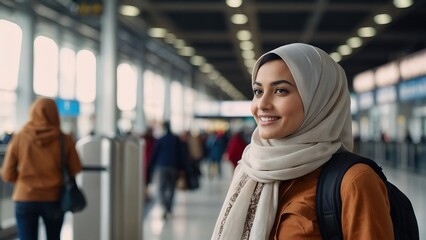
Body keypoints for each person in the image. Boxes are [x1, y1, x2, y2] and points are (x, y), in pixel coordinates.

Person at [211, 43, 393, 239]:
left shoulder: (355, 181)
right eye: (258, 91)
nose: (262, 105)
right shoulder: (248, 167)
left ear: (319, 99)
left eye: (280, 90)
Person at [1, 97, 82, 240]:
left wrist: (24, 182)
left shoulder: (20, 138)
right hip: (54, 198)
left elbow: (7, 174)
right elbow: (76, 168)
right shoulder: (64, 139)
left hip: (25, 197)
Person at [148, 121, 185, 219]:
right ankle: (168, 207)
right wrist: (182, 167)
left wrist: (150, 167)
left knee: (161, 187)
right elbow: (181, 154)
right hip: (173, 167)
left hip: (162, 166)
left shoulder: (160, 140)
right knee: (172, 188)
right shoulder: (176, 139)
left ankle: (164, 205)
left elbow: (154, 154)